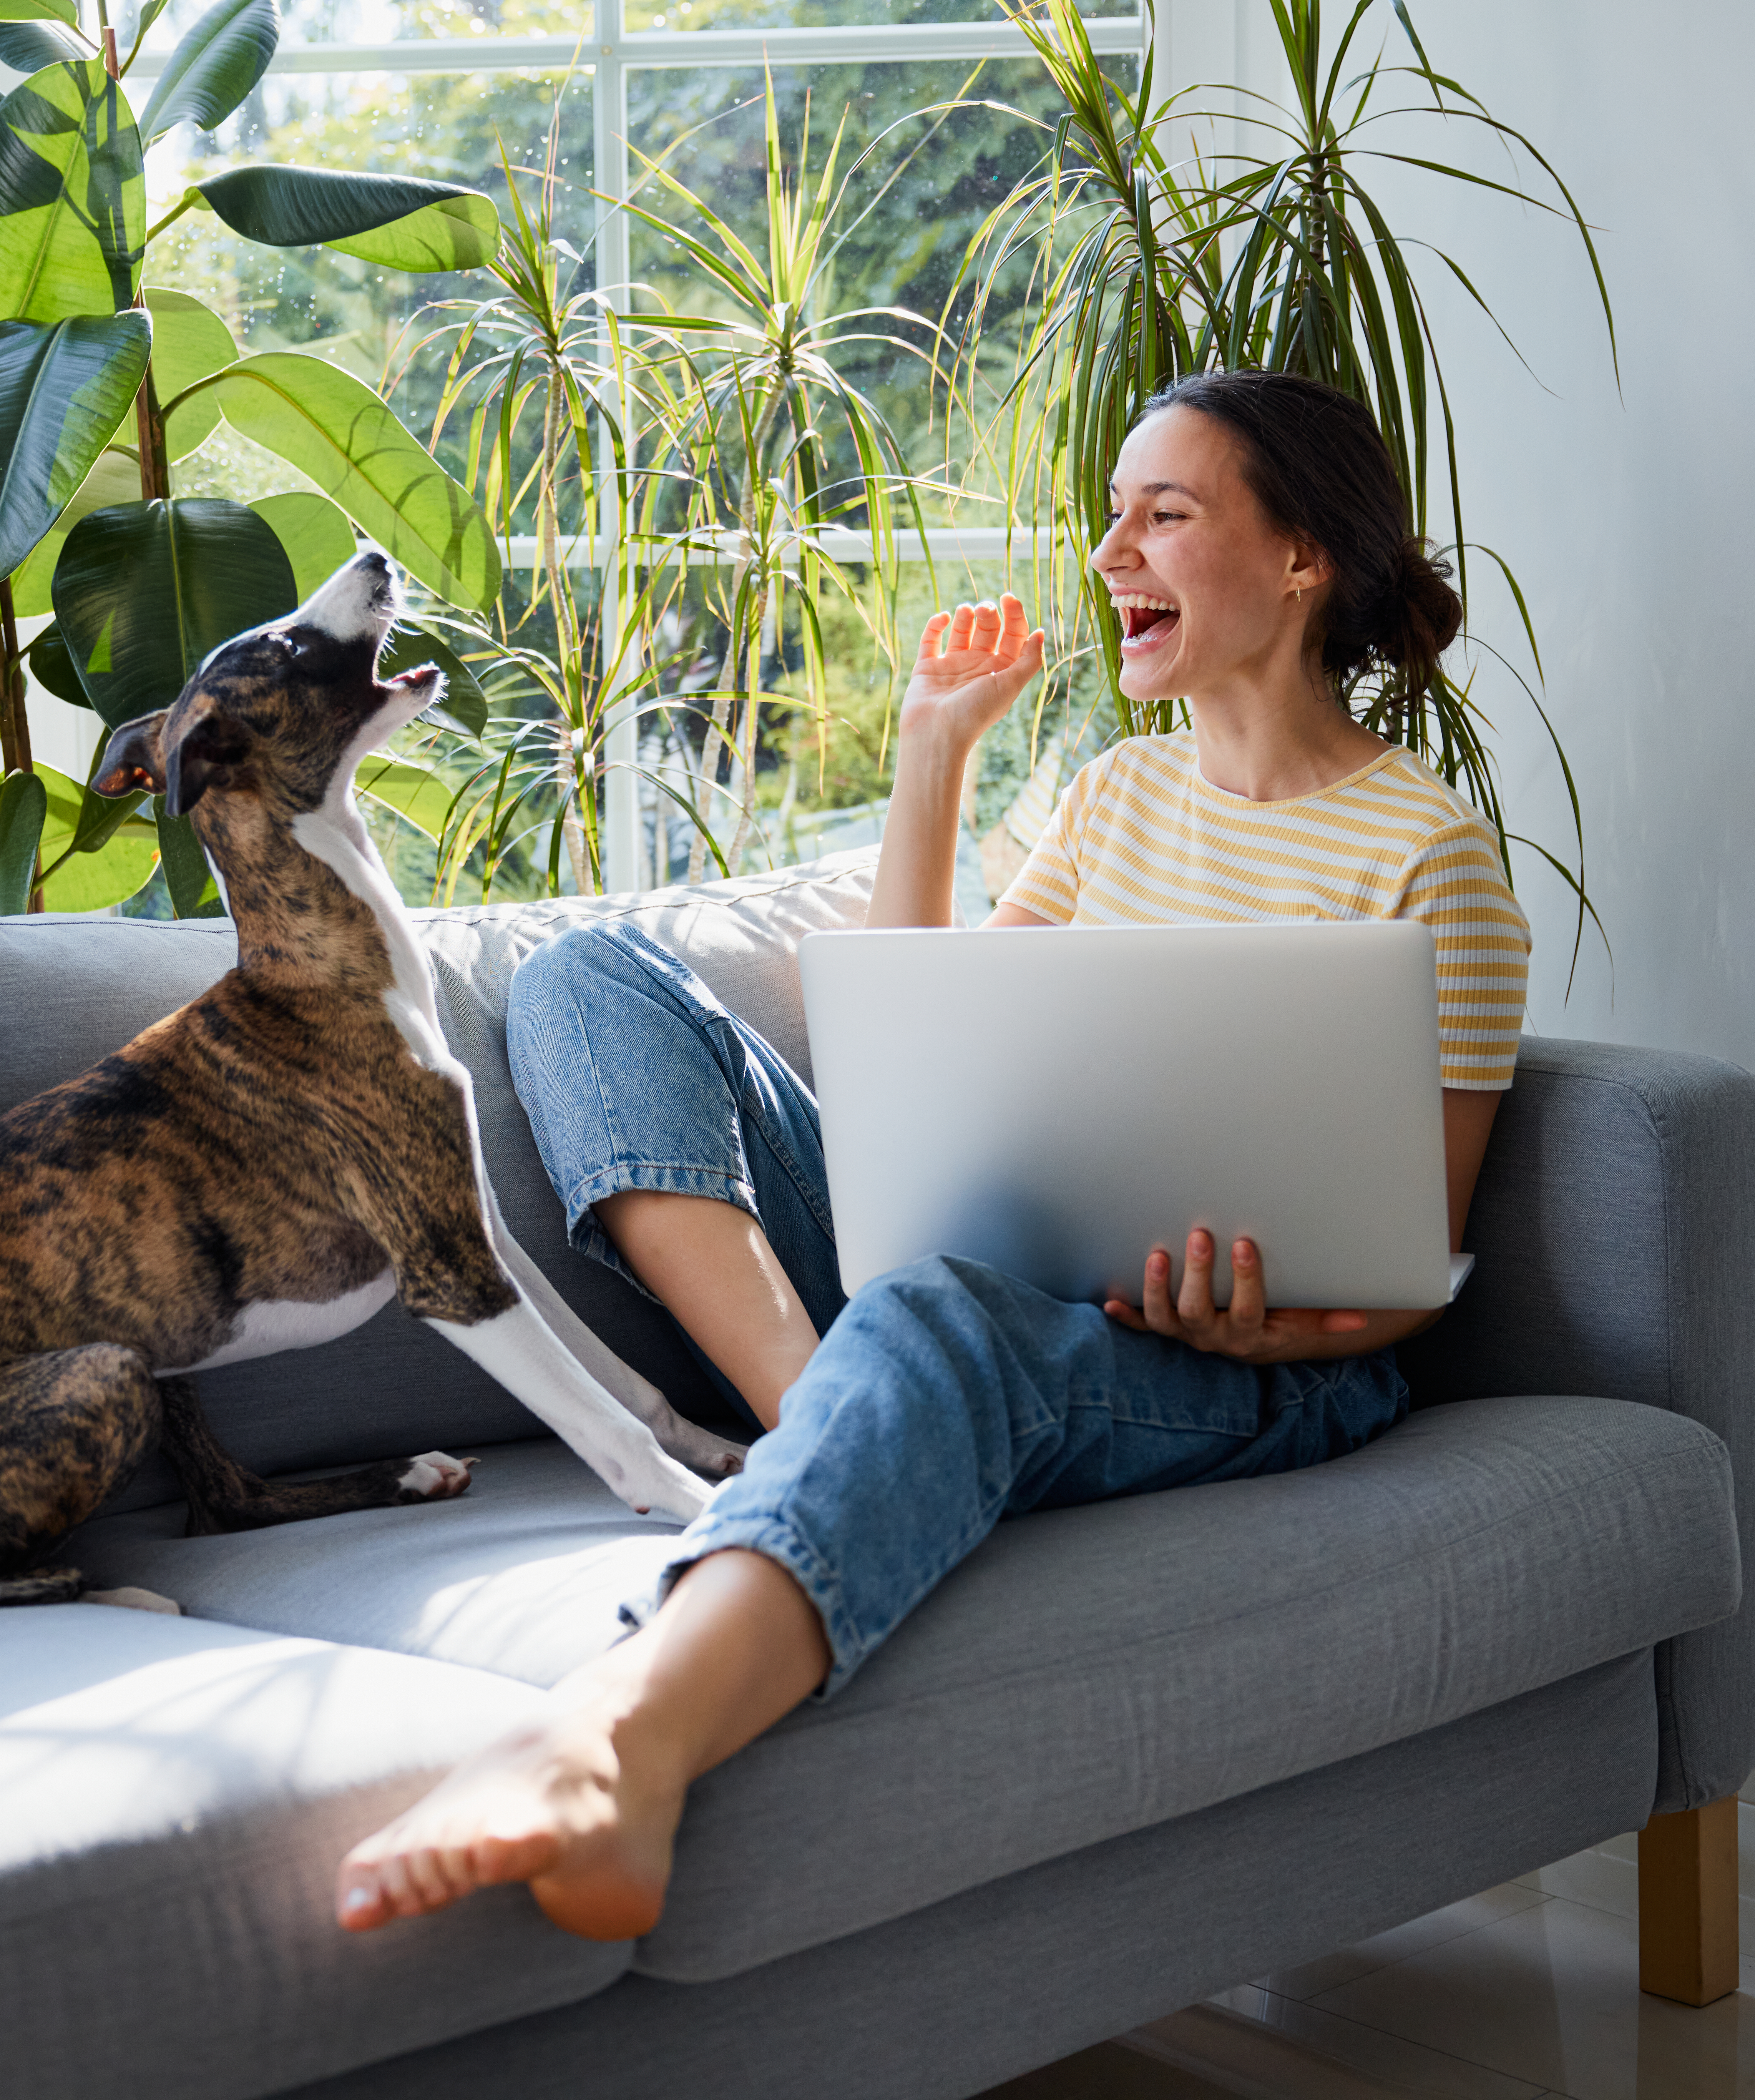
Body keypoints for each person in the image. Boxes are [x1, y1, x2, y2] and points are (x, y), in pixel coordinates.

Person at [334, 368, 1533, 1942]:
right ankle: (824, 1416)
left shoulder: (1423, 856)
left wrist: (1278, 1324)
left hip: (1247, 1361)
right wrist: (932, 748)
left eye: (1161, 516)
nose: (1110, 555)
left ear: (1299, 557)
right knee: (584, 982)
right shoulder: (1112, 794)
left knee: (942, 1315)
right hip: (988, 1269)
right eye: (1111, 516)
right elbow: (910, 1065)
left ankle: (616, 1743)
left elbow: (1410, 1267)